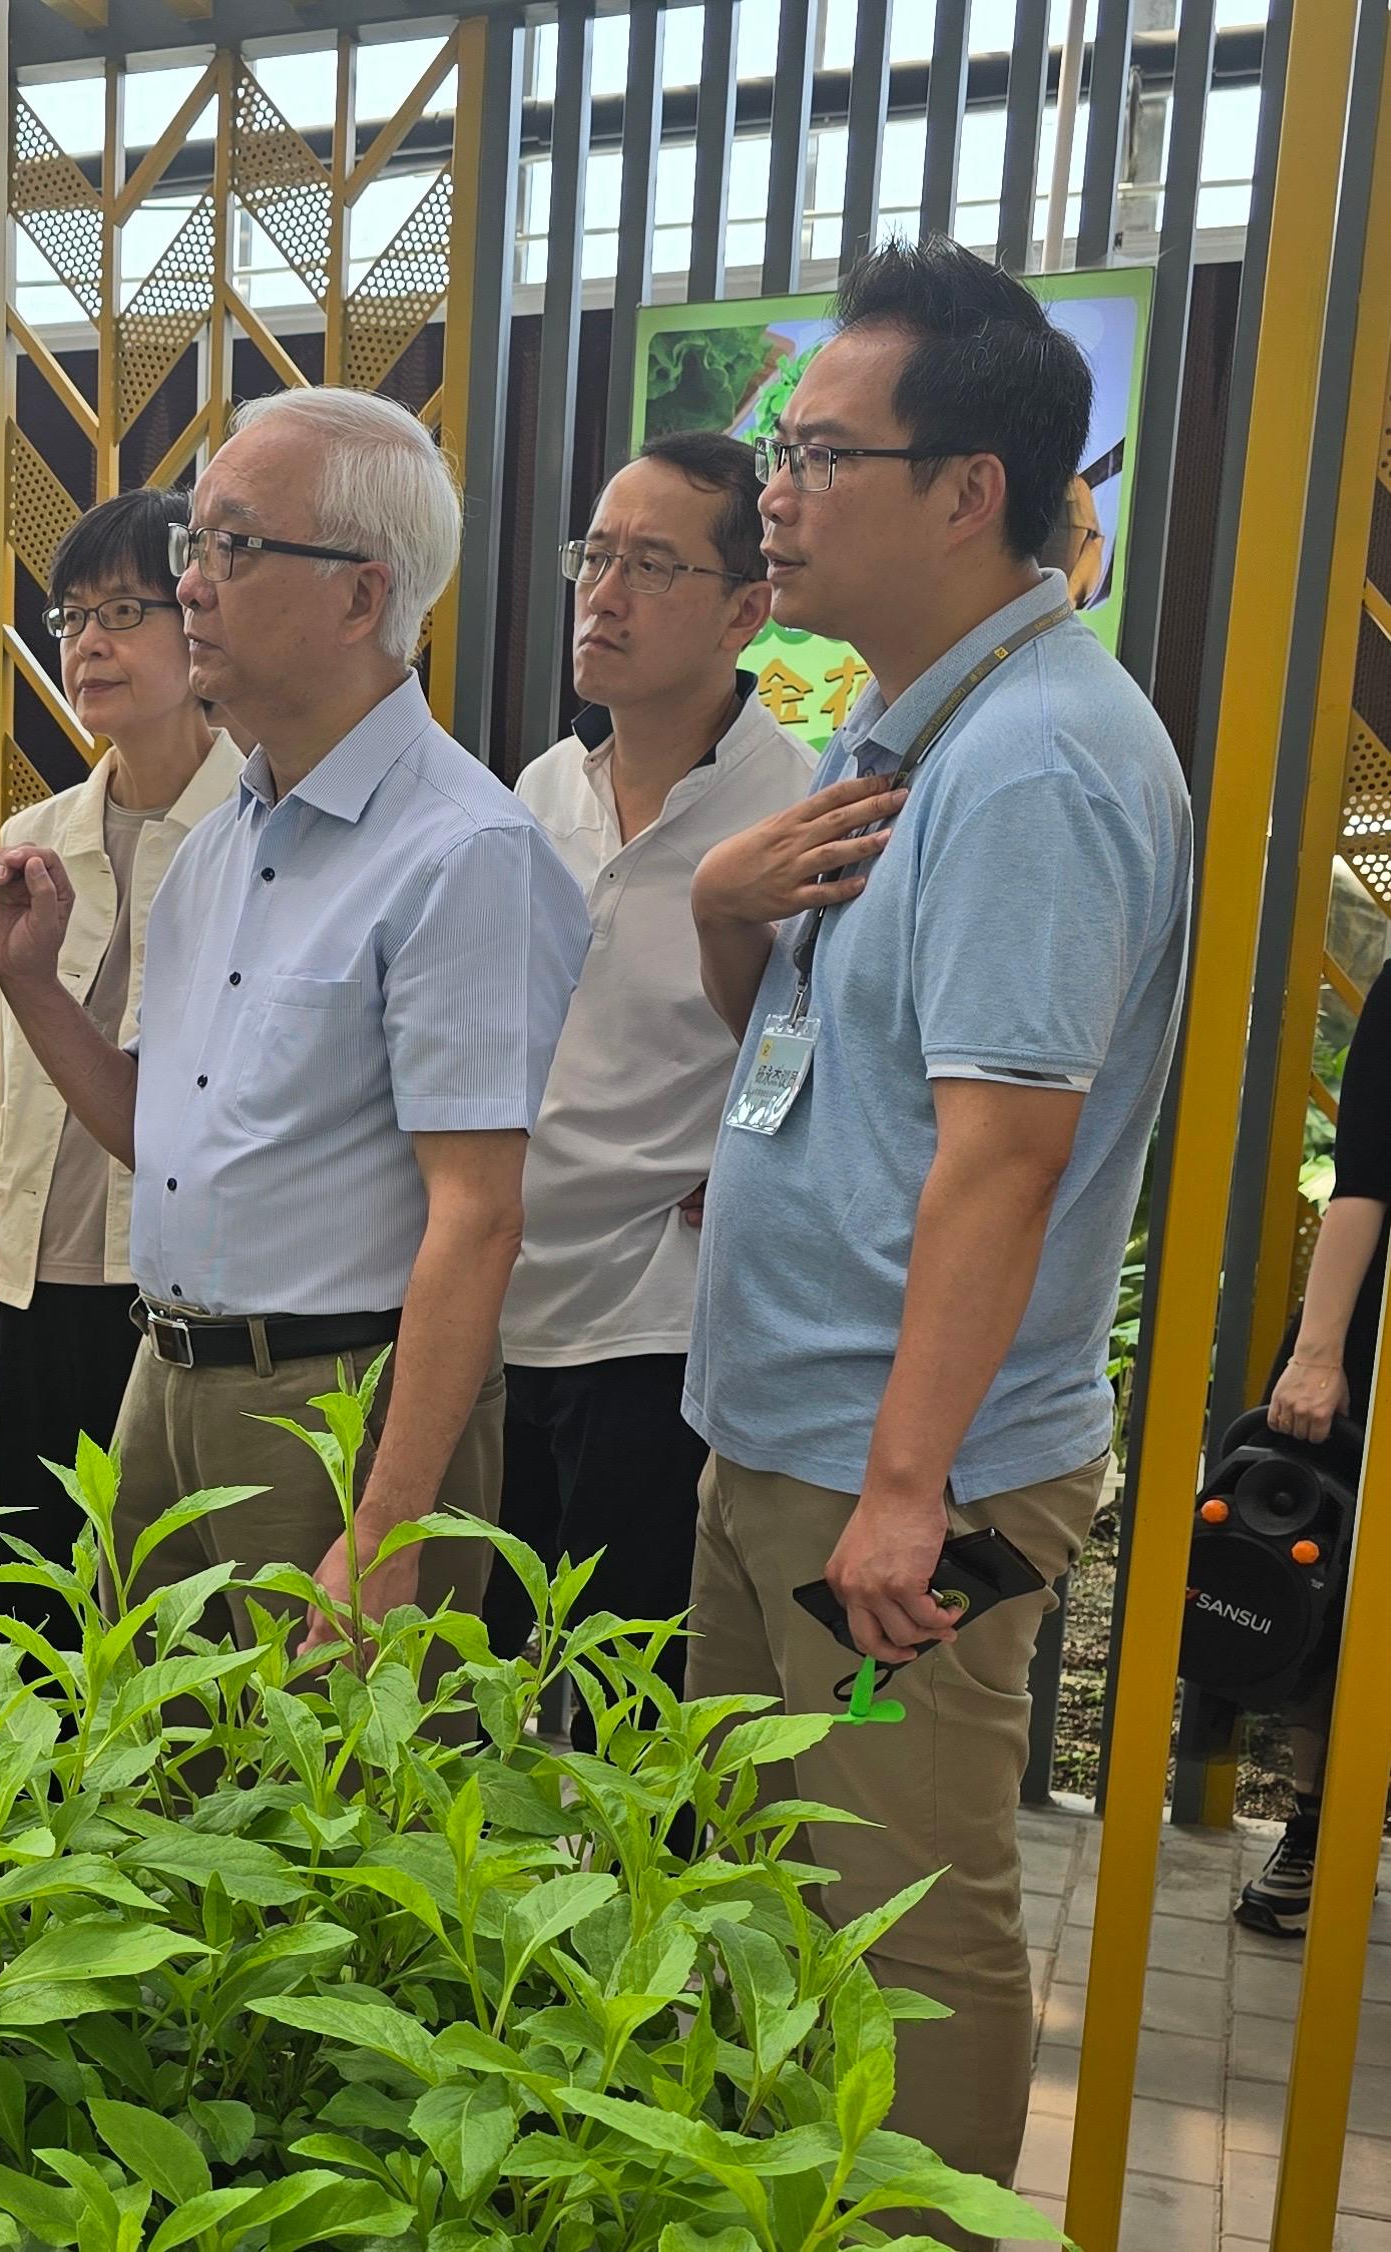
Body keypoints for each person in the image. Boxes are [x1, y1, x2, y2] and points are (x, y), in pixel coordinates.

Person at [681, 236, 1190, 2229]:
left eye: (819, 452)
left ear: (969, 491)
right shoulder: (891, 732)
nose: (772, 493)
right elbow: (810, 1060)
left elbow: (1005, 1153)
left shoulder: (1038, 761)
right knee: (759, 1884)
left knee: (895, 1910)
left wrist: (908, 1495)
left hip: (892, 1501)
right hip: (793, 1443)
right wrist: (730, 908)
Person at [0, 386, 586, 1649]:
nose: (189, 583)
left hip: (340, 1406)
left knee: (331, 1816)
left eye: (231, 547)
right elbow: (169, 1132)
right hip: (167, 1375)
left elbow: (478, 1216)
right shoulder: (220, 843)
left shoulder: (462, 852)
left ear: (362, 596)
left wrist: (385, 1525)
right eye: (193, 547)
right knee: (148, 1794)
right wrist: (36, 986)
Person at [481, 433, 814, 1733]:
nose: (602, 595)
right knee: (472, 1718)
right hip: (502, 1303)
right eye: (595, 557)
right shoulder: (535, 792)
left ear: (746, 608)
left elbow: (827, 1053)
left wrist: (753, 1162)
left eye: (649, 565)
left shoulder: (797, 810)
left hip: (661, 1331)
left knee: (639, 1733)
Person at [0, 489, 238, 1632]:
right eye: (70, 617)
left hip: (180, 1302)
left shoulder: (261, 824)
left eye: (123, 609)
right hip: (32, 1290)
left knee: (164, 1626)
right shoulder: (31, 842)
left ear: (200, 616)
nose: (88, 642)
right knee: (32, 1616)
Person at [1236, 993, 1391, 1936]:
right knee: (1328, 1587)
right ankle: (1315, 1824)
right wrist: (1317, 1355)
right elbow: (1364, 1177)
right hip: (1376, 1342)